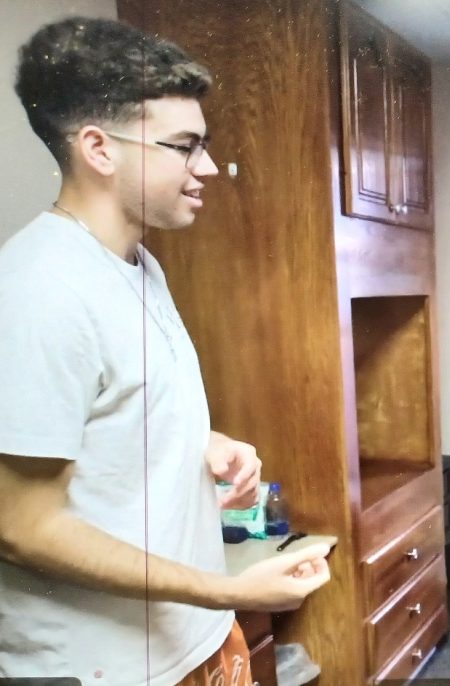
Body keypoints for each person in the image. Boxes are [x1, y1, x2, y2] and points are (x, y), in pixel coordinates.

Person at [0, 17, 330, 685]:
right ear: (99, 149)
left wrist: (203, 444)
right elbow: (22, 526)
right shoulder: (39, 289)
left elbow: (105, 417)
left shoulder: (139, 264)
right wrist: (229, 590)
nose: (206, 166)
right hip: (109, 670)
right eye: (184, 147)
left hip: (190, 640)